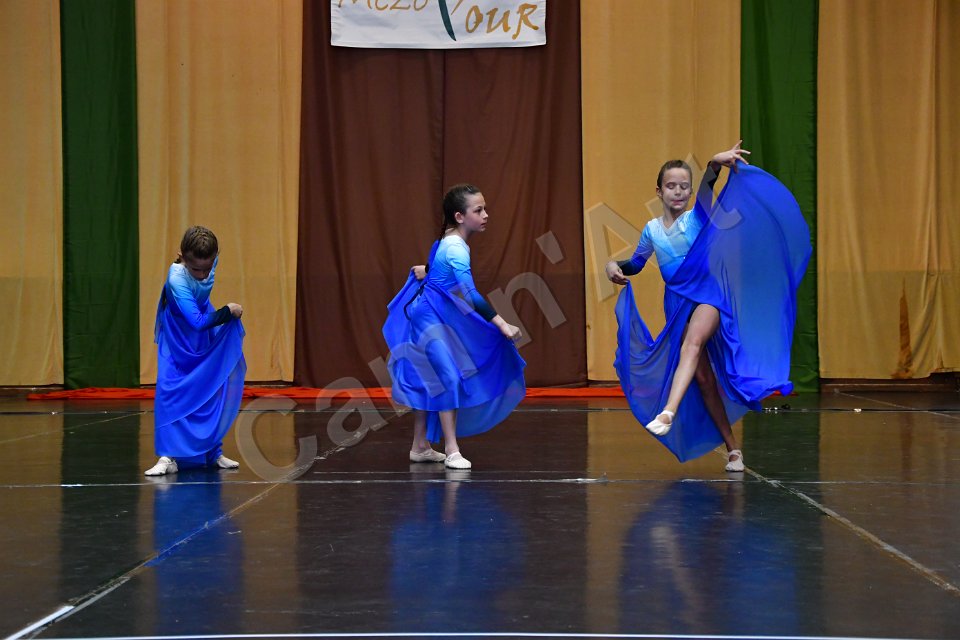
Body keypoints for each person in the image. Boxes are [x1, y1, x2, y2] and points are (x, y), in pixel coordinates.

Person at [606, 142, 811, 471]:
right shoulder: (652, 230)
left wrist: (714, 165)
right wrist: (613, 266)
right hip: (677, 305)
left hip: (708, 296)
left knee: (693, 343)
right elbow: (636, 264)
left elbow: (708, 188)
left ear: (690, 192)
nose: (678, 192)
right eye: (671, 186)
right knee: (703, 379)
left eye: (683, 186)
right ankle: (733, 450)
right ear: (658, 191)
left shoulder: (697, 218)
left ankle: (668, 411)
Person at [382, 184, 526, 470]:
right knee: (448, 376)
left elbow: (439, 266)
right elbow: (470, 294)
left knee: (430, 376)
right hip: (429, 315)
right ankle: (452, 450)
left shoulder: (450, 241)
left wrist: (427, 270)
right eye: (479, 210)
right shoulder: (457, 248)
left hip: (433, 312)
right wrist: (501, 323)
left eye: (484, 209)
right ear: (460, 217)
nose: (486, 215)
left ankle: (420, 446)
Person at [145, 226, 246, 476]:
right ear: (181, 256)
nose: (201, 275)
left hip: (201, 331)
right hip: (179, 334)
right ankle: (167, 456)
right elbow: (197, 322)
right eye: (195, 270)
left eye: (206, 269)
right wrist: (228, 311)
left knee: (210, 386)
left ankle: (213, 451)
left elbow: (201, 319)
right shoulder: (177, 279)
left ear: (215, 258)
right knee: (170, 389)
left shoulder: (211, 259)